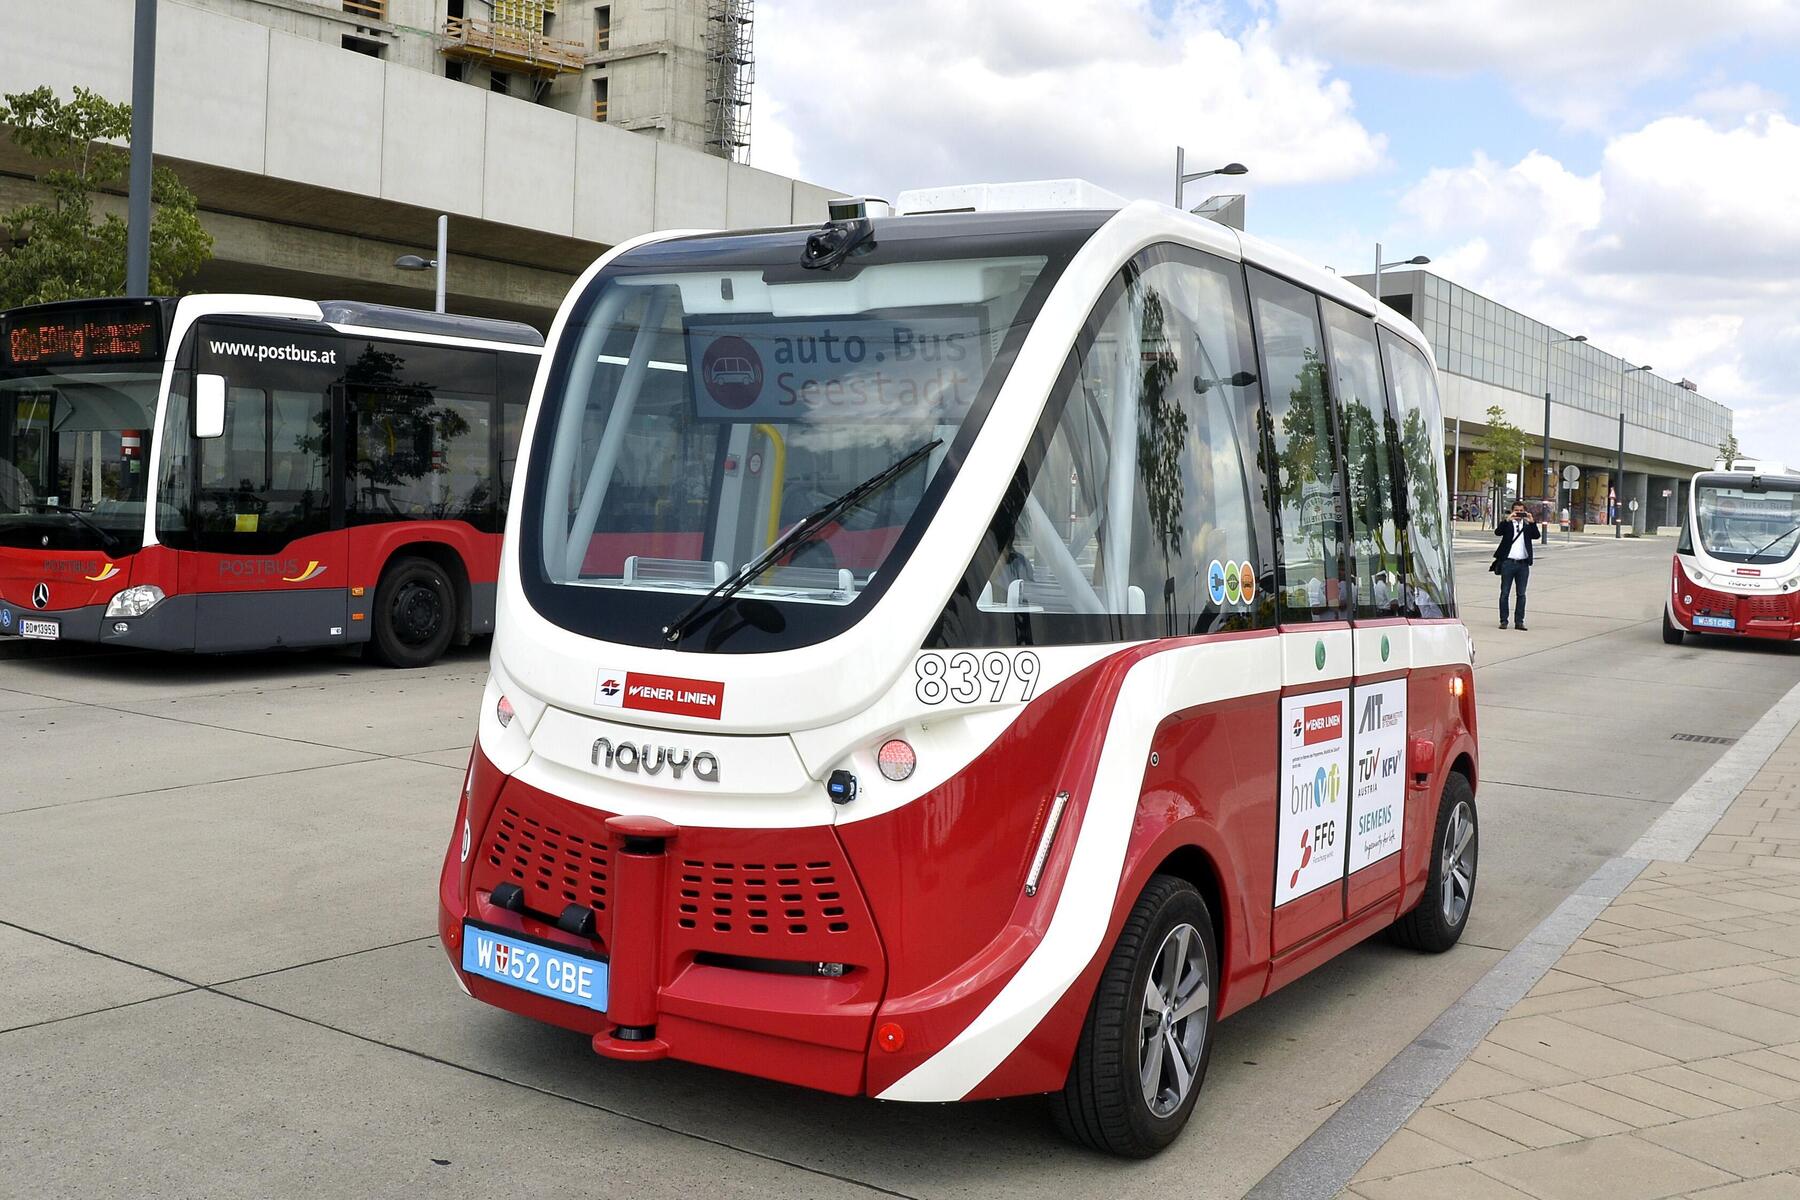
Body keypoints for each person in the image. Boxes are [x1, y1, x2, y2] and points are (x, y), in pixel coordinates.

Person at [1493, 499, 1540, 630]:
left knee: (1521, 594)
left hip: (1523, 564)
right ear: (1512, 511)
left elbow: (1536, 536)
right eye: (1516, 511)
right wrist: (1507, 520)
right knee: (1505, 593)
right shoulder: (1508, 524)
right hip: (1508, 563)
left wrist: (1532, 522)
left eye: (1521, 511)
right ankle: (1504, 621)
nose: (1519, 513)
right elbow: (1498, 532)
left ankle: (1519, 621)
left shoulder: (1527, 525)